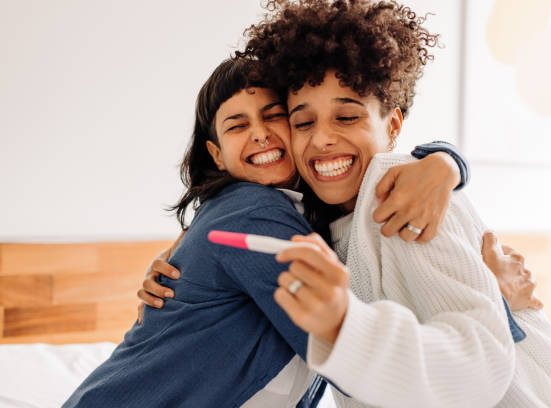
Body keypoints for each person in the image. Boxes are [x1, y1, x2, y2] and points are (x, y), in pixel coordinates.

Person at [238, 1, 551, 407]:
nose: (322, 138)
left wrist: (346, 325)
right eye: (303, 122)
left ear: (394, 125)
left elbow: (479, 364)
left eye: (346, 118)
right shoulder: (321, 218)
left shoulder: (399, 191)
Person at [63, 57, 474, 407]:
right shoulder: (252, 212)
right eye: (237, 126)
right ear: (216, 155)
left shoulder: (295, 215)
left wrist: (446, 161)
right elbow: (354, 362)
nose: (260, 133)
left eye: (274, 115)